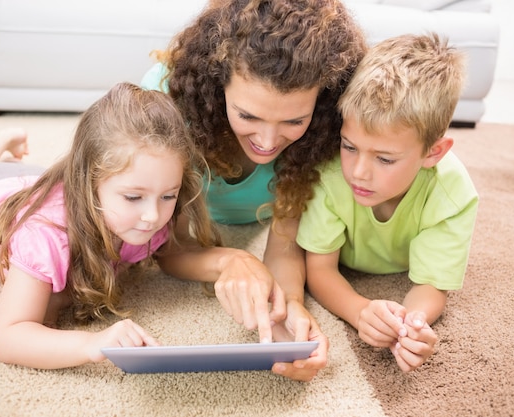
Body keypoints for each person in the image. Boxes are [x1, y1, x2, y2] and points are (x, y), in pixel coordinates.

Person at [142, 0, 366, 381]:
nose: (266, 141)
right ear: (217, 84)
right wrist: (232, 261)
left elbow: (285, 244)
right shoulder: (167, 105)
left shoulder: (325, 128)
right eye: (247, 115)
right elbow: (168, 247)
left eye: (294, 120)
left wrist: (290, 307)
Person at [0, 82, 220, 369]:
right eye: (133, 197)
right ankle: (2, 139)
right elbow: (9, 337)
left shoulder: (150, 208)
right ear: (88, 185)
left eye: (168, 195)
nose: (153, 216)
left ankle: (7, 150)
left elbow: (177, 248)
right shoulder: (44, 236)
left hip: (32, 180)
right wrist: (91, 343)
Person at [296, 33, 479, 372]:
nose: (358, 172)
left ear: (433, 153)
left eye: (385, 159)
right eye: (349, 146)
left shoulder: (453, 194)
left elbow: (431, 285)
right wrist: (359, 310)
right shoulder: (329, 173)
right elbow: (319, 269)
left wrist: (412, 326)